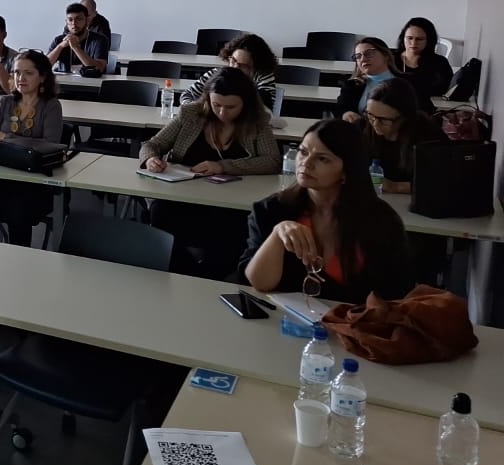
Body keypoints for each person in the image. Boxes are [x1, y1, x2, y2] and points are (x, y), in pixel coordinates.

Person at [239, 119, 416, 304]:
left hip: (355, 319)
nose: (306, 163)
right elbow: (260, 284)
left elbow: (398, 292)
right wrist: (277, 235)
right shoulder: (272, 209)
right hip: (283, 319)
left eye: (322, 158)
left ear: (347, 170)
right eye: (303, 152)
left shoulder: (381, 220)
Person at [141, 68, 280, 279]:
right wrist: (151, 159)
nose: (222, 112)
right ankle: (184, 271)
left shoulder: (256, 122)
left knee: (233, 231)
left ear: (246, 103)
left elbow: (272, 161)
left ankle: (210, 277)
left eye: (231, 107)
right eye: (216, 105)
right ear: (208, 99)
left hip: (232, 203)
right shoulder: (191, 114)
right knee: (160, 211)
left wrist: (223, 166)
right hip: (183, 196)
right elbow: (152, 144)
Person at [0, 50, 64, 245]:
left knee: (18, 204)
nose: (20, 78)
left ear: (42, 77)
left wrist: (7, 137)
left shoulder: (51, 106)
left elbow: (50, 145)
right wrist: (26, 142)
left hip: (34, 180)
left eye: (28, 73)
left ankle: (19, 253)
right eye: (16, 72)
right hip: (3, 172)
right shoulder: (4, 102)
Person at [355, 78, 446, 194]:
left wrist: (396, 187)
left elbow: (443, 181)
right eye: (370, 115)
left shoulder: (428, 134)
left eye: (384, 120)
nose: (375, 124)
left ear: (404, 117)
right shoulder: (361, 126)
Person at [335, 36, 432, 121]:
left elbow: (425, 110)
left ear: (385, 55)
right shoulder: (351, 85)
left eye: (369, 53)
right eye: (358, 56)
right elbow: (341, 108)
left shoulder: (410, 81)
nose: (363, 59)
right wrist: (346, 113)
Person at [180, 32, 279, 110]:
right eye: (233, 60)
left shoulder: (264, 77)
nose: (235, 67)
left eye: (243, 65)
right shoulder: (216, 74)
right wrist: (195, 109)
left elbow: (263, 109)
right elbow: (187, 94)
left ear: (256, 66)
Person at [394, 17, 453, 99]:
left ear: (429, 40)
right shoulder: (390, 59)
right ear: (403, 38)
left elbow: (446, 91)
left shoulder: (440, 63)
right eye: (409, 38)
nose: (413, 43)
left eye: (419, 39)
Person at [45, 2, 110, 75]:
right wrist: (60, 47)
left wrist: (75, 47)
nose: (74, 23)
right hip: (64, 81)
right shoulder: (59, 40)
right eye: (70, 20)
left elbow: (99, 68)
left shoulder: (100, 40)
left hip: (91, 81)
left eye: (78, 19)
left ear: (87, 21)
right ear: (66, 22)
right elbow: (43, 67)